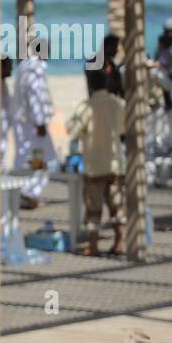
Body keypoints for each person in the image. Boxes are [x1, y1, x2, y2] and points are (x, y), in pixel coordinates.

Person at [66, 67, 126, 256]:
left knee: (93, 208)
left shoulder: (85, 106)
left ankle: (93, 246)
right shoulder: (118, 103)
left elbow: (72, 131)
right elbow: (124, 129)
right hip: (114, 163)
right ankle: (119, 242)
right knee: (116, 205)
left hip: (93, 166)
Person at [12, 40, 57, 208]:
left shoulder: (24, 66)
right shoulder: (35, 69)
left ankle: (24, 192)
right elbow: (35, 96)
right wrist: (40, 123)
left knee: (26, 158)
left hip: (24, 122)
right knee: (46, 159)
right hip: (32, 124)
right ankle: (29, 192)